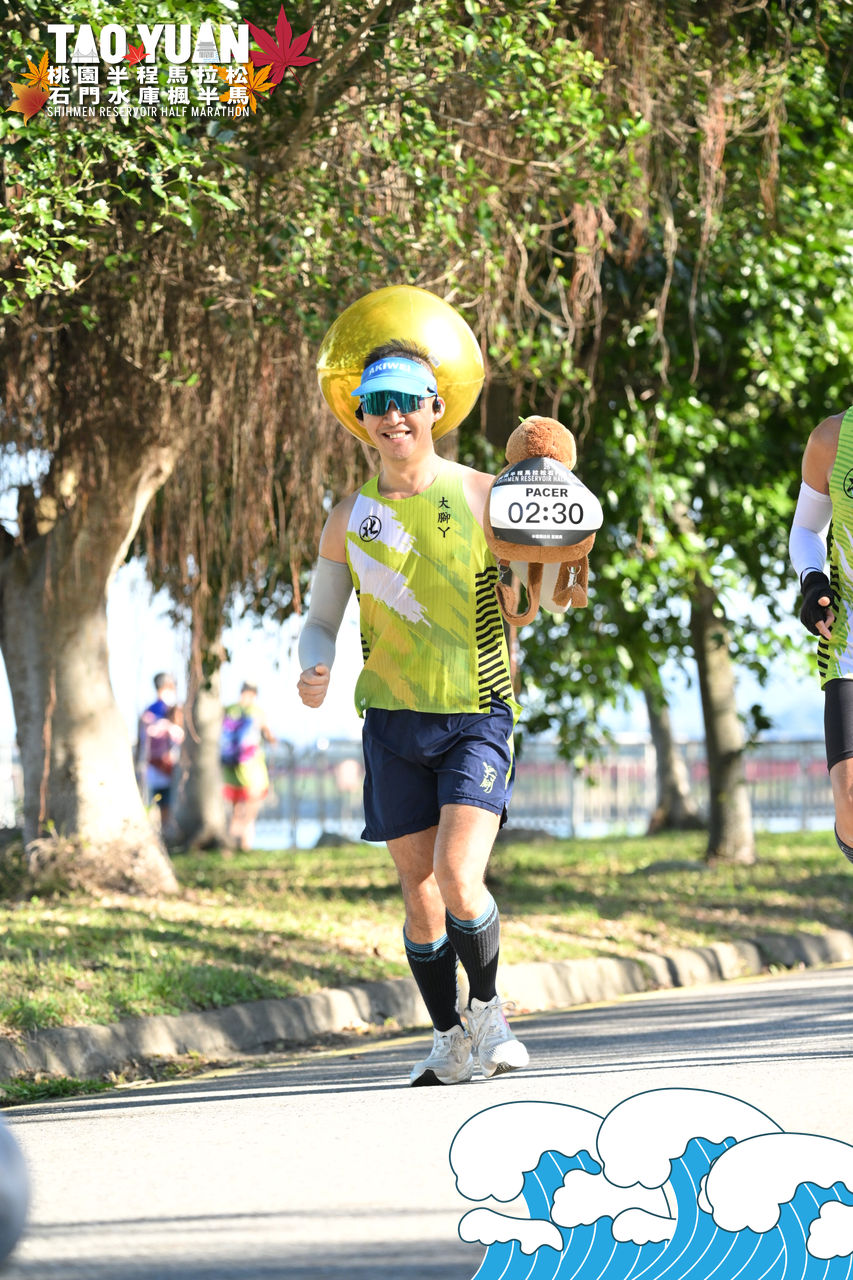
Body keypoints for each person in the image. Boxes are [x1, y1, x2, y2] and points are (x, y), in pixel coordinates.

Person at [297, 340, 529, 1086]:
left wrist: (531, 585)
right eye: (378, 403)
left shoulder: (484, 495)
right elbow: (319, 618)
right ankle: (447, 1038)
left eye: (406, 401)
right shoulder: (348, 517)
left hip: (477, 710)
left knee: (457, 874)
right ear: (360, 415)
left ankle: (488, 1013)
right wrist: (313, 663)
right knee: (419, 891)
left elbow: (536, 594)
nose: (393, 416)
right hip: (392, 722)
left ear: (435, 407)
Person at [789, 405, 853, 861]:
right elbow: (807, 528)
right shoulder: (832, 438)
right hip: (849, 642)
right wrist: (813, 581)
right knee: (850, 800)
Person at [221, 682, 276, 851]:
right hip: (252, 770)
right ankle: (245, 845)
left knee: (236, 811)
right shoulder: (257, 712)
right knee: (250, 812)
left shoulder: (229, 709)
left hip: (231, 768)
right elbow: (269, 735)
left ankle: (234, 843)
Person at [143, 703, 184, 831]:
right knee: (167, 806)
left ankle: (159, 830)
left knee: (156, 805)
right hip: (167, 774)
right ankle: (165, 830)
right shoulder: (174, 730)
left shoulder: (158, 726)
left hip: (154, 773)